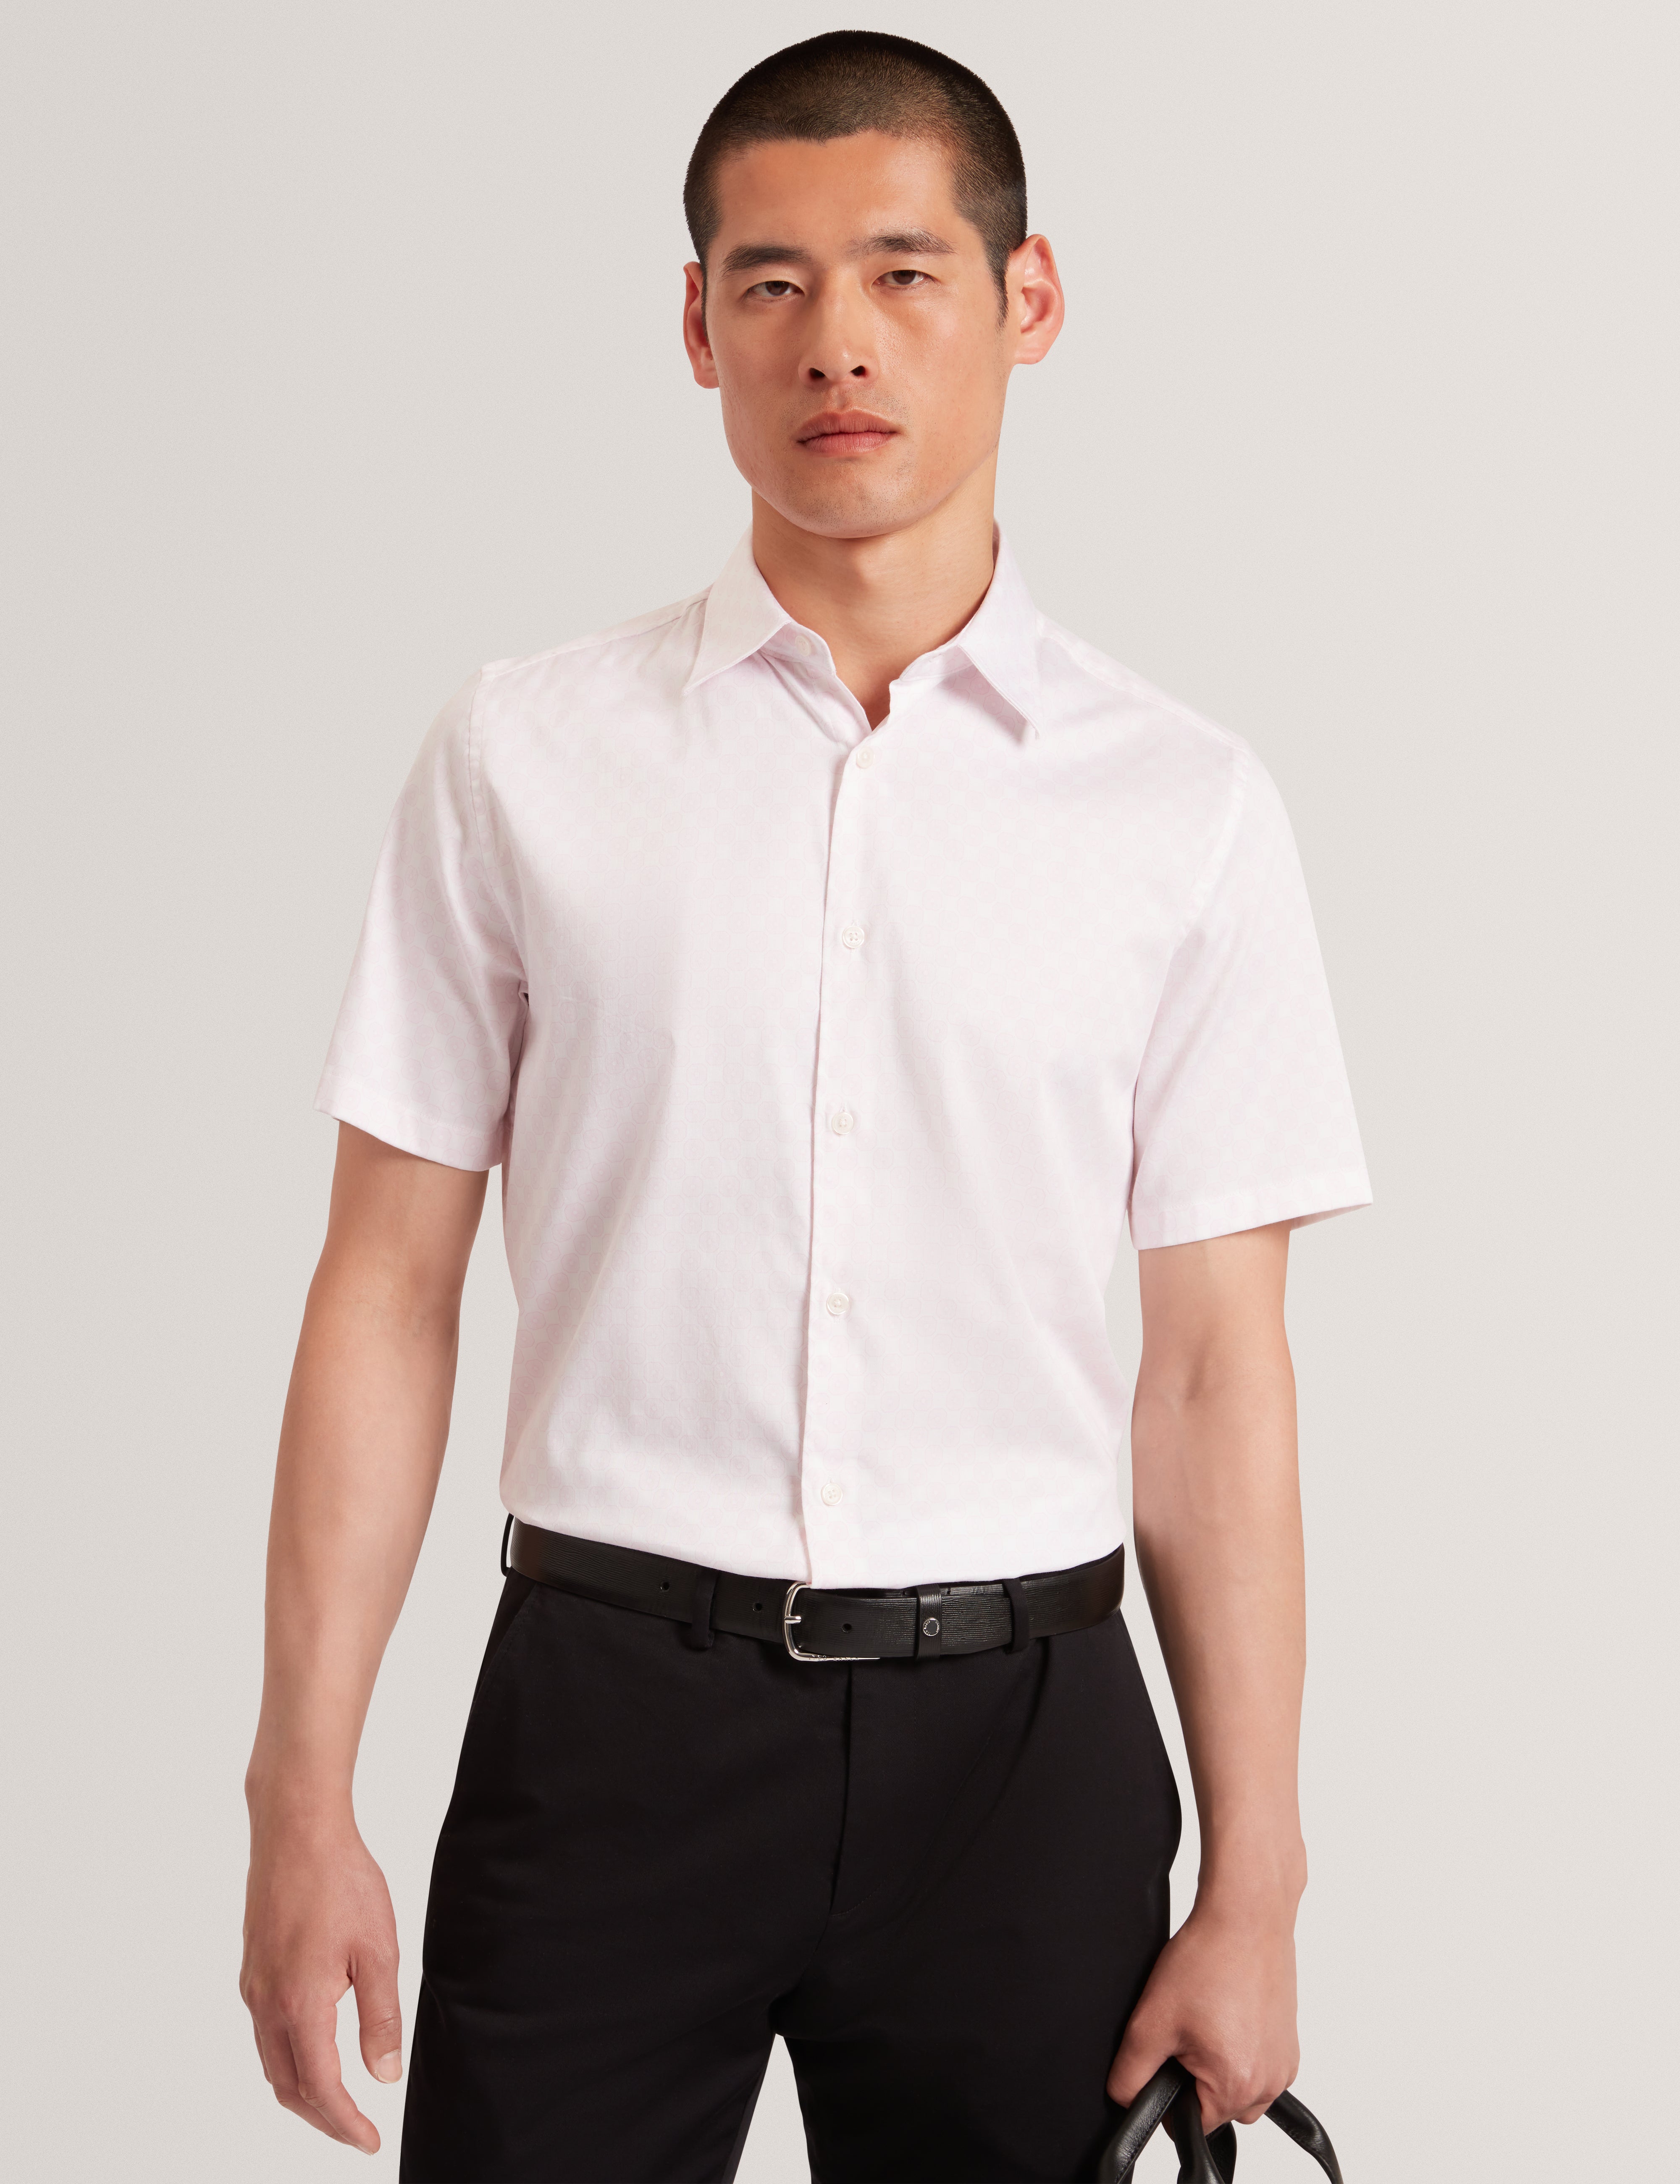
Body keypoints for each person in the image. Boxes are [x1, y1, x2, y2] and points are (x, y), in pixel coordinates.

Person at [239, 30, 1370, 2183]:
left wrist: (1256, 1881)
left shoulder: (1185, 811)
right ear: (697, 327)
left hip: (1020, 1750)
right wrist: (301, 1799)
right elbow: (383, 1290)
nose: (835, 341)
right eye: (771, 283)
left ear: (1028, 299)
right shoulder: (522, 758)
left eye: (903, 272)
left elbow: (1217, 1376)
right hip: (608, 1712)